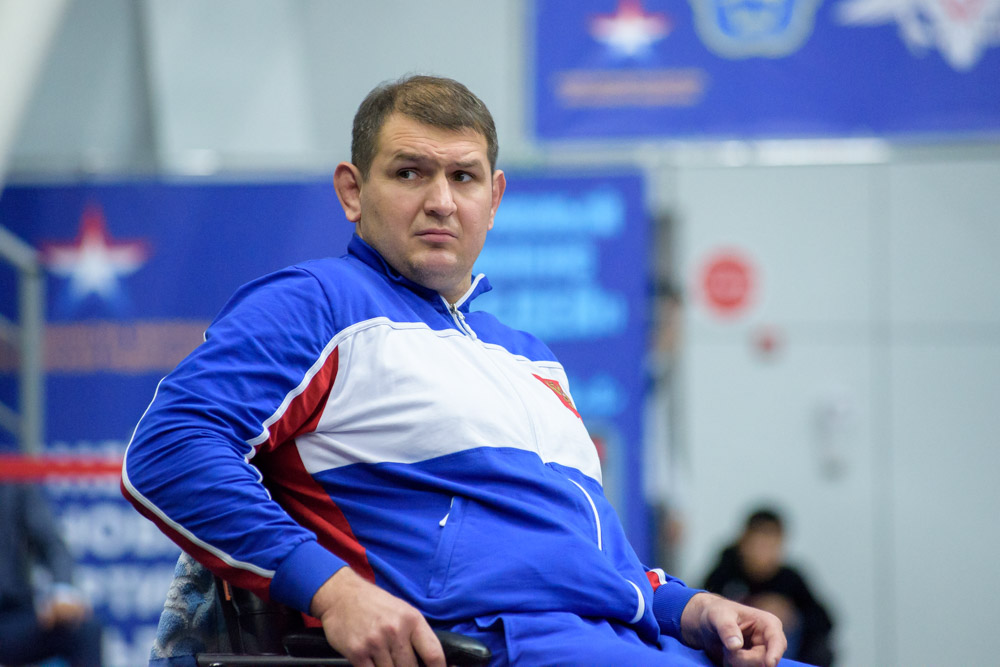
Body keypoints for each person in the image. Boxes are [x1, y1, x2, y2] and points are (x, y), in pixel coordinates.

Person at [122, 74, 808, 667]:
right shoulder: (319, 303)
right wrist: (332, 589)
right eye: (409, 172)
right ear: (352, 192)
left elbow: (589, 557)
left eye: (463, 176)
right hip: (497, 644)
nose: (442, 201)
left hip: (631, 638)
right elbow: (171, 448)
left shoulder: (530, 355)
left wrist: (690, 606)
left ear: (494, 197)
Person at [703, 508, 835, 666]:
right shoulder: (724, 574)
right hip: (732, 649)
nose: (764, 553)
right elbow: (703, 607)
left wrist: (791, 613)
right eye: (759, 544)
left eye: (771, 546)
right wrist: (751, 607)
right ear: (744, 542)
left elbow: (825, 620)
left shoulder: (790, 579)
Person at [0, 482, 103, 666]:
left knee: (85, 630)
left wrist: (61, 592)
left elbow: (53, 546)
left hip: (11, 618)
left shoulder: (11, 483)